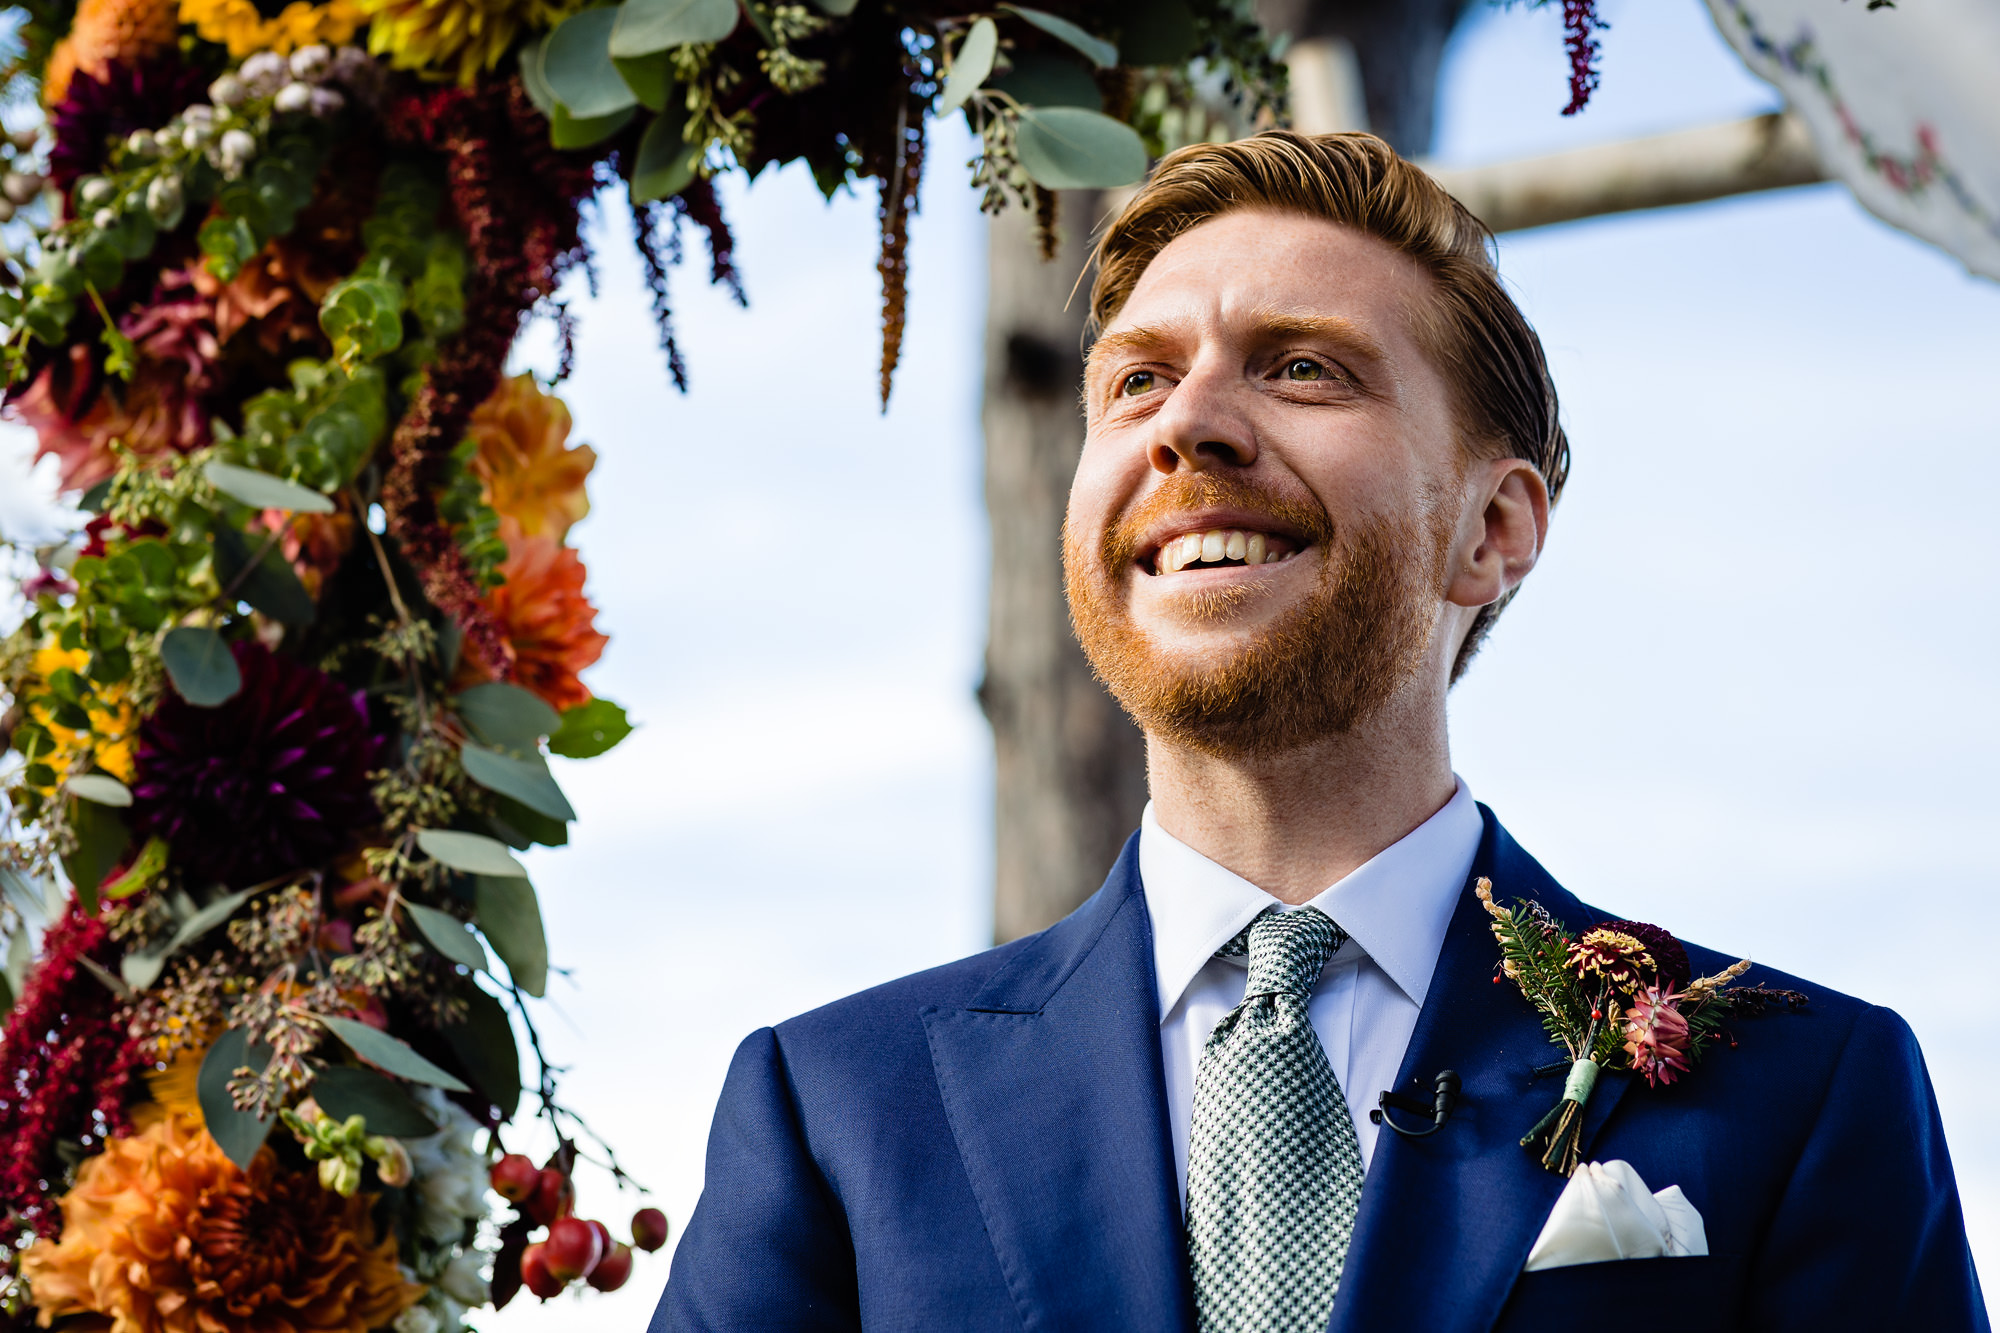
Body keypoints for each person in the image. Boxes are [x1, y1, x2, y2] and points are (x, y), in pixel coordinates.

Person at [649, 131, 1987, 1332]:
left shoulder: (1804, 1094)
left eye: (1302, 367)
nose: (1188, 424)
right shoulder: (834, 1113)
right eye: (1135, 383)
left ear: (1493, 528)